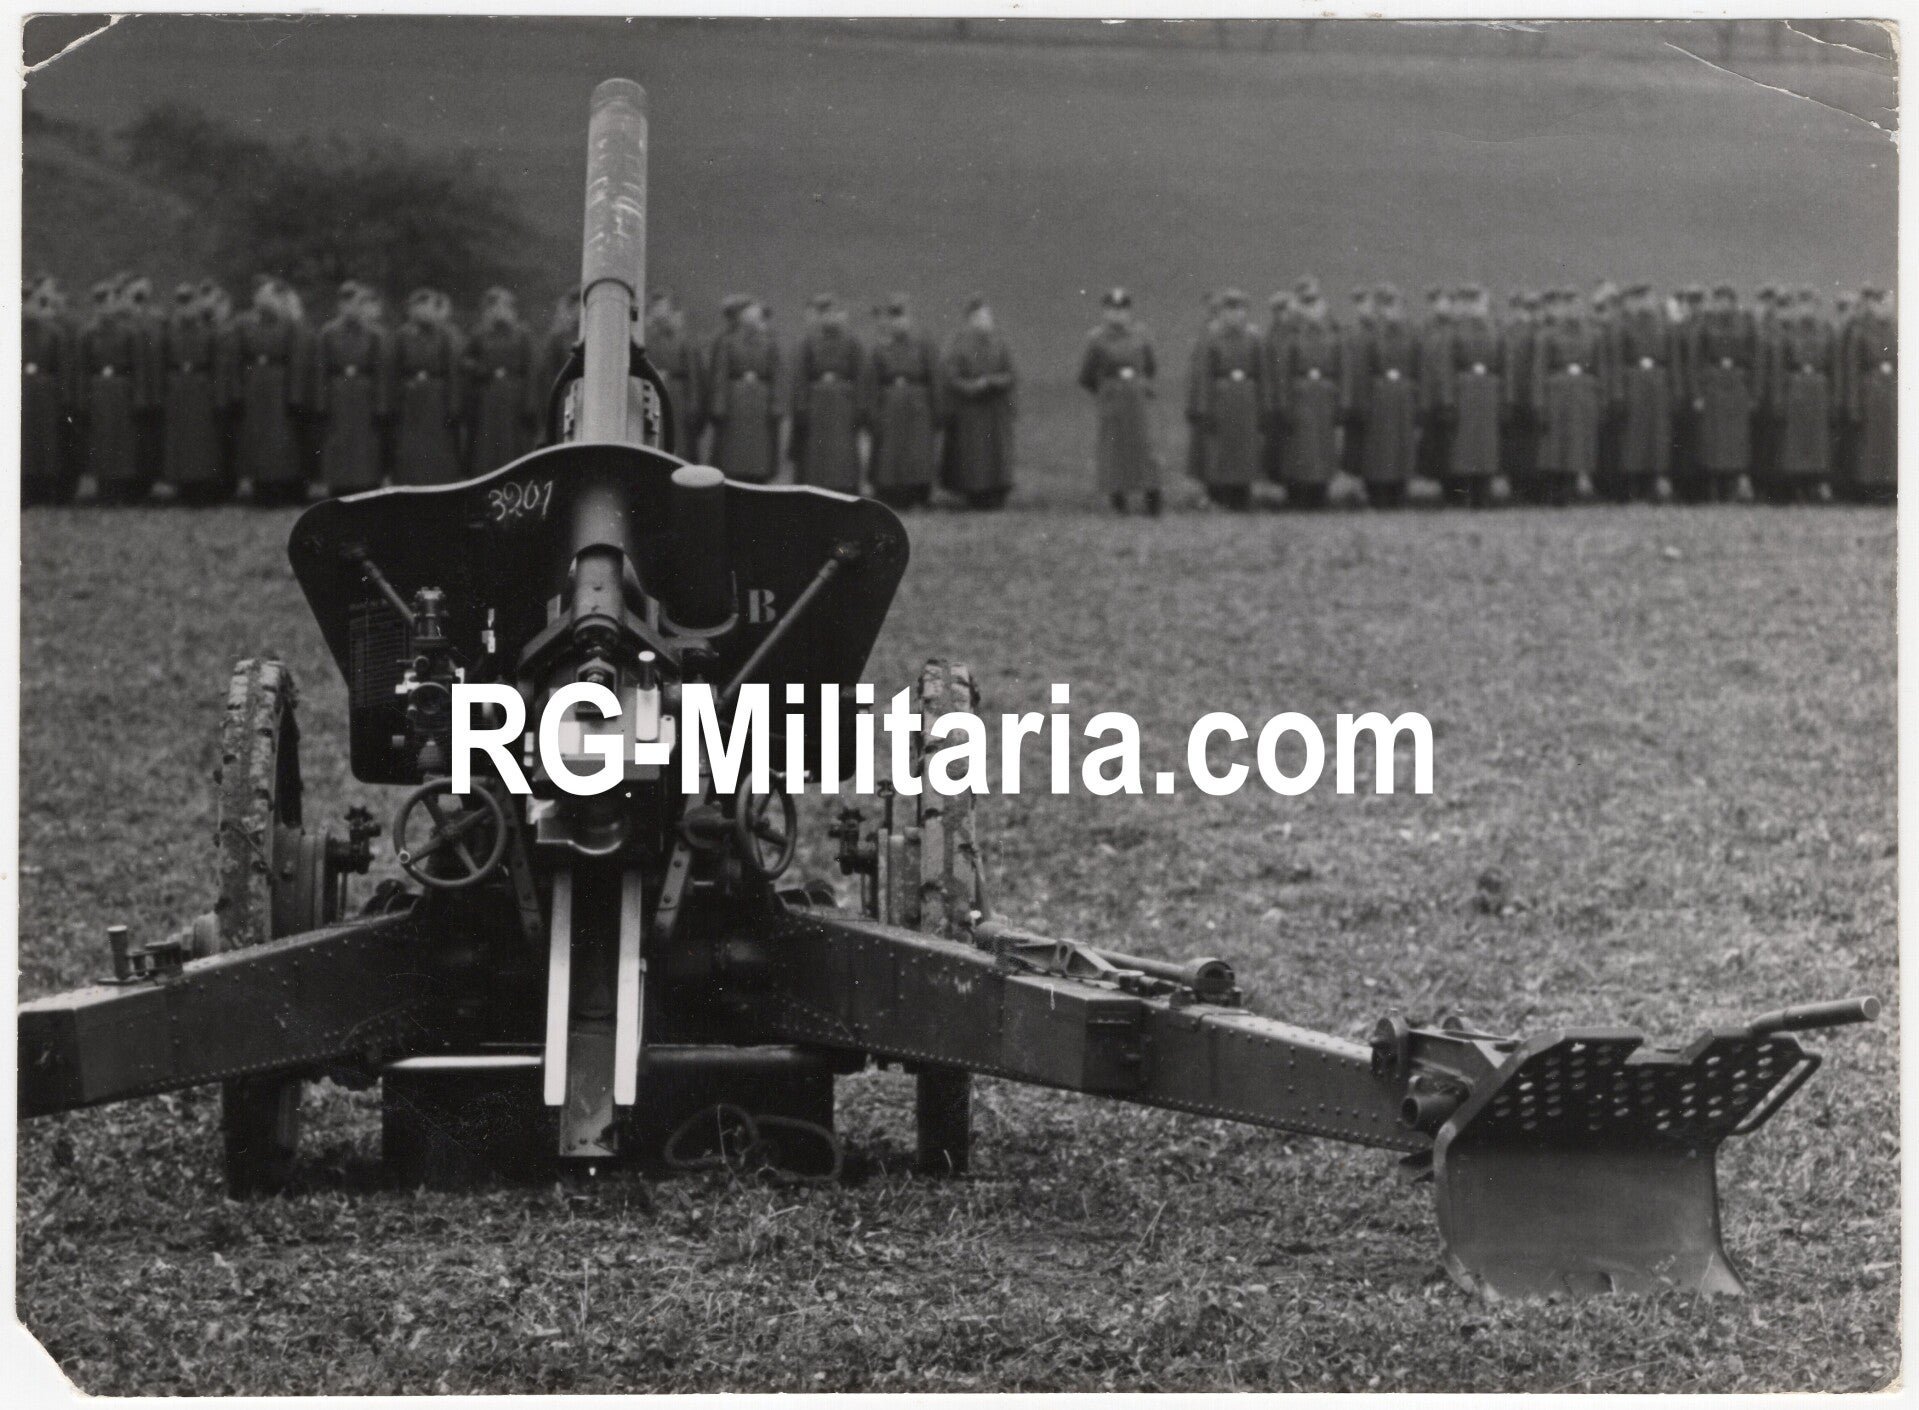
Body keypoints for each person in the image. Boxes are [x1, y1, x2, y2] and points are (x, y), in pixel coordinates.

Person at [216, 276, 307, 504]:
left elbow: (296, 361)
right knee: (255, 438)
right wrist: (236, 392)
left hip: (279, 386)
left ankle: (281, 487)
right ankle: (260, 487)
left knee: (280, 439)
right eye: (261, 294)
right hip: (254, 385)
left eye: (270, 294)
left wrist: (295, 396)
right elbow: (234, 360)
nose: (265, 299)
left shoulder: (289, 324)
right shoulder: (243, 323)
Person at [1078, 287, 1161, 515]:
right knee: (1114, 449)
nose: (1118, 315)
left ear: (1129, 312)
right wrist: (1106, 390)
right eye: (1113, 310)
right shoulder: (1096, 339)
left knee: (1144, 446)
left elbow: (1151, 366)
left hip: (1136, 398)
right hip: (1112, 398)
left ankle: (1152, 497)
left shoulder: (1141, 335)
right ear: (1105, 312)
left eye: (1123, 310)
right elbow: (1086, 375)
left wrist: (1141, 384)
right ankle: (1118, 499)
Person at [1185, 288, 1263, 510]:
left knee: (1245, 448)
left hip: (1246, 398)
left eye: (1240, 309)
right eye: (1230, 309)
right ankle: (1220, 495)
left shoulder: (1253, 337)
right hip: (1221, 398)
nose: (1235, 315)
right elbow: (1203, 375)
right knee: (1220, 448)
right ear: (1222, 312)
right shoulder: (1212, 337)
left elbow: (1262, 372)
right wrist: (1204, 408)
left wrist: (1263, 404)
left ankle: (1242, 495)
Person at [939, 295, 1018, 509]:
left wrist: (994, 381)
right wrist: (973, 386)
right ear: (971, 320)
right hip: (971, 411)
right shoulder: (958, 344)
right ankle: (974, 494)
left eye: (987, 317)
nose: (985, 322)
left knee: (997, 454)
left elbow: (1011, 373)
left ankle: (998, 491)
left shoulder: (999, 343)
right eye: (980, 318)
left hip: (995, 410)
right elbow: (951, 377)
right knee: (974, 455)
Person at [1270, 277, 1342, 508]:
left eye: (1314, 300)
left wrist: (1340, 396)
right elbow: (1283, 371)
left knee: (1323, 447)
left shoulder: (1331, 330)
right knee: (1299, 448)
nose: (1311, 308)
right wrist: (1283, 403)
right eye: (1306, 301)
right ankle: (1298, 495)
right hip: (1300, 393)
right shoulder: (1291, 332)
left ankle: (1321, 493)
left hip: (1324, 392)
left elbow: (1341, 364)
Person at [862, 295, 940, 508]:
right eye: (894, 318)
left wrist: (937, 410)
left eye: (902, 317)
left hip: (918, 406)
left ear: (909, 320)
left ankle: (919, 494)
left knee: (918, 451)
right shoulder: (880, 349)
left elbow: (935, 377)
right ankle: (891, 495)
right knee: (890, 453)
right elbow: (871, 383)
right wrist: (872, 412)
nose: (898, 323)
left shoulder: (923, 345)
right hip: (890, 405)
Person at [81, 279, 154, 503]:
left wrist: (139, 397)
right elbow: (82, 368)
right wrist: (83, 398)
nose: (106, 308)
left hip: (122, 389)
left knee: (122, 440)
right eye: (100, 303)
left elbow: (139, 366)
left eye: (110, 302)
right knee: (101, 439)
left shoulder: (129, 332)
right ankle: (103, 489)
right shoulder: (88, 333)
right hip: (98, 389)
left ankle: (122, 489)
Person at [1530, 288, 1604, 506]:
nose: (1573, 311)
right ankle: (1556, 491)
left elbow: (1599, 368)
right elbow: (1538, 370)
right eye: (1568, 306)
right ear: (1561, 309)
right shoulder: (1547, 335)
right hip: (1557, 394)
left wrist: (1599, 397)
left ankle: (1572, 488)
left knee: (1577, 444)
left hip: (1583, 393)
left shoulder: (1593, 334)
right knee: (1557, 445)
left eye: (1576, 305)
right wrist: (1538, 402)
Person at [314, 281, 388, 496]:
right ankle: (339, 486)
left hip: (365, 395)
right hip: (338, 394)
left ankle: (367, 485)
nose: (351, 309)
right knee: (339, 441)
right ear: (340, 306)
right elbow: (321, 370)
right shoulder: (328, 333)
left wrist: (381, 404)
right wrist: (321, 402)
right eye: (346, 304)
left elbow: (381, 371)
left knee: (365, 443)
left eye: (356, 303)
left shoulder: (374, 334)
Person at [1686, 283, 1757, 503]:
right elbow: (1695, 360)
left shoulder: (1745, 324)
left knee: (1735, 440)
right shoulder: (1705, 325)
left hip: (1736, 383)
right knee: (1713, 439)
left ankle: (1732, 487)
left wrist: (1753, 393)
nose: (1723, 305)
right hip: (1713, 383)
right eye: (1719, 300)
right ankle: (1713, 488)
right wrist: (1697, 393)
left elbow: (1755, 360)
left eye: (1727, 300)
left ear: (1734, 302)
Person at [1765, 288, 1836, 505]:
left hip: (1818, 390)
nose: (1807, 310)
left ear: (1817, 307)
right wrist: (1779, 398)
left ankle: (1815, 485)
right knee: (1796, 443)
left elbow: (1833, 366)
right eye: (1803, 305)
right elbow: (1779, 368)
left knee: (1816, 442)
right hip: (1796, 389)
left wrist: (1833, 397)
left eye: (1811, 305)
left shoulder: (1826, 331)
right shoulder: (1788, 333)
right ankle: (1797, 489)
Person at [789, 293, 865, 493]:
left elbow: (861, 376)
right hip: (816, 403)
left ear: (843, 315)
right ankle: (815, 487)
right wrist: (802, 405)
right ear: (820, 316)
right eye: (826, 313)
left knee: (842, 449)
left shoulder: (853, 342)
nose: (831, 317)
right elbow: (801, 375)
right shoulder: (808, 342)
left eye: (836, 312)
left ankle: (844, 487)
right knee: (815, 449)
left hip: (843, 404)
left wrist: (860, 407)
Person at [387, 288, 463, 485]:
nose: (424, 311)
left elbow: (452, 372)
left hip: (437, 399)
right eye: (419, 306)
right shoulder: (401, 335)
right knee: (410, 449)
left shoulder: (445, 335)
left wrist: (453, 406)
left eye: (428, 306)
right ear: (411, 310)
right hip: (409, 400)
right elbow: (393, 370)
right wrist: (394, 401)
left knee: (438, 447)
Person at [160, 281, 227, 503]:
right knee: (179, 440)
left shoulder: (208, 333)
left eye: (189, 301)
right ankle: (182, 486)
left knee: (201, 441)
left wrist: (218, 395)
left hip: (201, 387)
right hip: (178, 387)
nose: (185, 307)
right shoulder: (169, 332)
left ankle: (202, 486)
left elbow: (218, 365)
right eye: (181, 302)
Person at [1607, 282, 1674, 503]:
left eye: (1648, 298)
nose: (1645, 303)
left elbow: (1671, 358)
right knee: (1633, 437)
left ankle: (1652, 485)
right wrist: (1617, 392)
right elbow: (1616, 361)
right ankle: (1630, 486)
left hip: (1657, 382)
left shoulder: (1662, 324)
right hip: (1633, 380)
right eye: (1640, 299)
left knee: (1655, 436)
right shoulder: (1623, 325)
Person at [1354, 283, 1419, 507]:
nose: (1391, 312)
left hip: (1402, 396)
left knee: (1401, 446)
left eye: (1396, 306)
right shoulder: (1373, 336)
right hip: (1380, 397)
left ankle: (1400, 493)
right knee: (1380, 449)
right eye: (1386, 306)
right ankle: (1378, 494)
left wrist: (1413, 392)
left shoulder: (1411, 335)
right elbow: (1363, 369)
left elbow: (1418, 367)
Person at [708, 295, 784, 485]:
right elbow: (720, 375)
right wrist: (719, 407)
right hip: (735, 405)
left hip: (761, 405)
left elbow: (778, 375)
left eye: (756, 314)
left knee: (759, 456)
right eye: (748, 313)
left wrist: (776, 405)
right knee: (732, 456)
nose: (752, 318)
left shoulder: (770, 343)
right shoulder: (728, 342)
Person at [463, 286, 539, 475]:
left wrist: (530, 402)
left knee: (512, 442)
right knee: (486, 443)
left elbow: (531, 368)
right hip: (488, 395)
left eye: (504, 306)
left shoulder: (523, 334)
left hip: (514, 395)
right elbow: (465, 360)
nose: (499, 310)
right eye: (494, 306)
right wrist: (481, 369)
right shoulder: (480, 334)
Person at [1442, 285, 1501, 507]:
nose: (1479, 308)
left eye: (1482, 303)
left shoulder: (1494, 329)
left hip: (1487, 390)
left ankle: (1484, 494)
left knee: (1486, 446)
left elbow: (1502, 362)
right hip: (1465, 390)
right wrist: (1449, 399)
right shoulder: (1458, 330)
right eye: (1475, 303)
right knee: (1466, 447)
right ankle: (1466, 494)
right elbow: (1448, 366)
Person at [22, 276, 78, 506]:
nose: (27, 307)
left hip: (46, 395)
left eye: (31, 301)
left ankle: (45, 491)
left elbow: (63, 367)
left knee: (45, 443)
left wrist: (65, 400)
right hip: (22, 393)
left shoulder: (54, 333)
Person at [1842, 286, 1895, 503]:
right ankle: (1870, 488)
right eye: (1878, 303)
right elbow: (1852, 368)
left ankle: (1888, 486)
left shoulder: (1893, 330)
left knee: (1888, 442)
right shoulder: (1860, 331)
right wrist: (1854, 403)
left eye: (1886, 304)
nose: (1883, 309)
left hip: (1890, 390)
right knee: (1870, 443)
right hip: (1870, 390)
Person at [645, 289, 706, 460]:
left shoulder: (683, 339)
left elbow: (694, 375)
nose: (659, 311)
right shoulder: (645, 337)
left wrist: (694, 405)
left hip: (678, 396)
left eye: (663, 307)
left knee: (681, 443)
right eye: (655, 307)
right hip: (651, 393)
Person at [1669, 285, 1708, 502]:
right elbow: (1678, 362)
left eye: (1697, 302)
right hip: (1684, 391)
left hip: (1703, 389)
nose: (1694, 306)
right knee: (1684, 440)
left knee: (1700, 441)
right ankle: (1684, 489)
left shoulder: (1705, 327)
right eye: (1690, 302)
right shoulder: (1680, 329)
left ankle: (1698, 489)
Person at [1499, 290, 1539, 498]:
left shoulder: (1534, 332)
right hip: (1513, 394)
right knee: (1514, 443)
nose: (1521, 314)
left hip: (1527, 394)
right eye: (1517, 308)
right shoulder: (1506, 332)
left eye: (1524, 309)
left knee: (1529, 444)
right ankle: (1517, 485)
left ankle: (1527, 486)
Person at [1416, 286, 1455, 488]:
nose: (1441, 306)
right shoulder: (1424, 329)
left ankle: (1453, 489)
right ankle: (1441, 485)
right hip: (1430, 395)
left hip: (1451, 396)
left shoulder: (1456, 328)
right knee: (1434, 445)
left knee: (1452, 446)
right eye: (1437, 302)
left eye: (1446, 301)